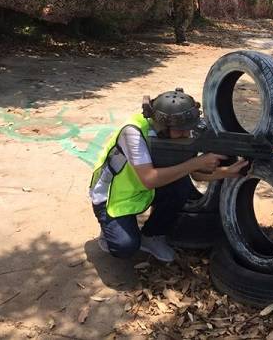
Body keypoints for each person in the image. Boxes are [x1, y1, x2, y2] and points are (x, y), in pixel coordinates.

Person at [89, 89, 247, 262]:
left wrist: (227, 172)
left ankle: (152, 236)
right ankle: (108, 232)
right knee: (125, 246)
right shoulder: (133, 133)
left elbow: (195, 175)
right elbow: (149, 179)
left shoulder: (182, 130)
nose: (186, 134)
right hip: (112, 197)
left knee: (181, 185)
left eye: (188, 129)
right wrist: (197, 162)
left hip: (142, 191)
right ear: (163, 127)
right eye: (181, 131)